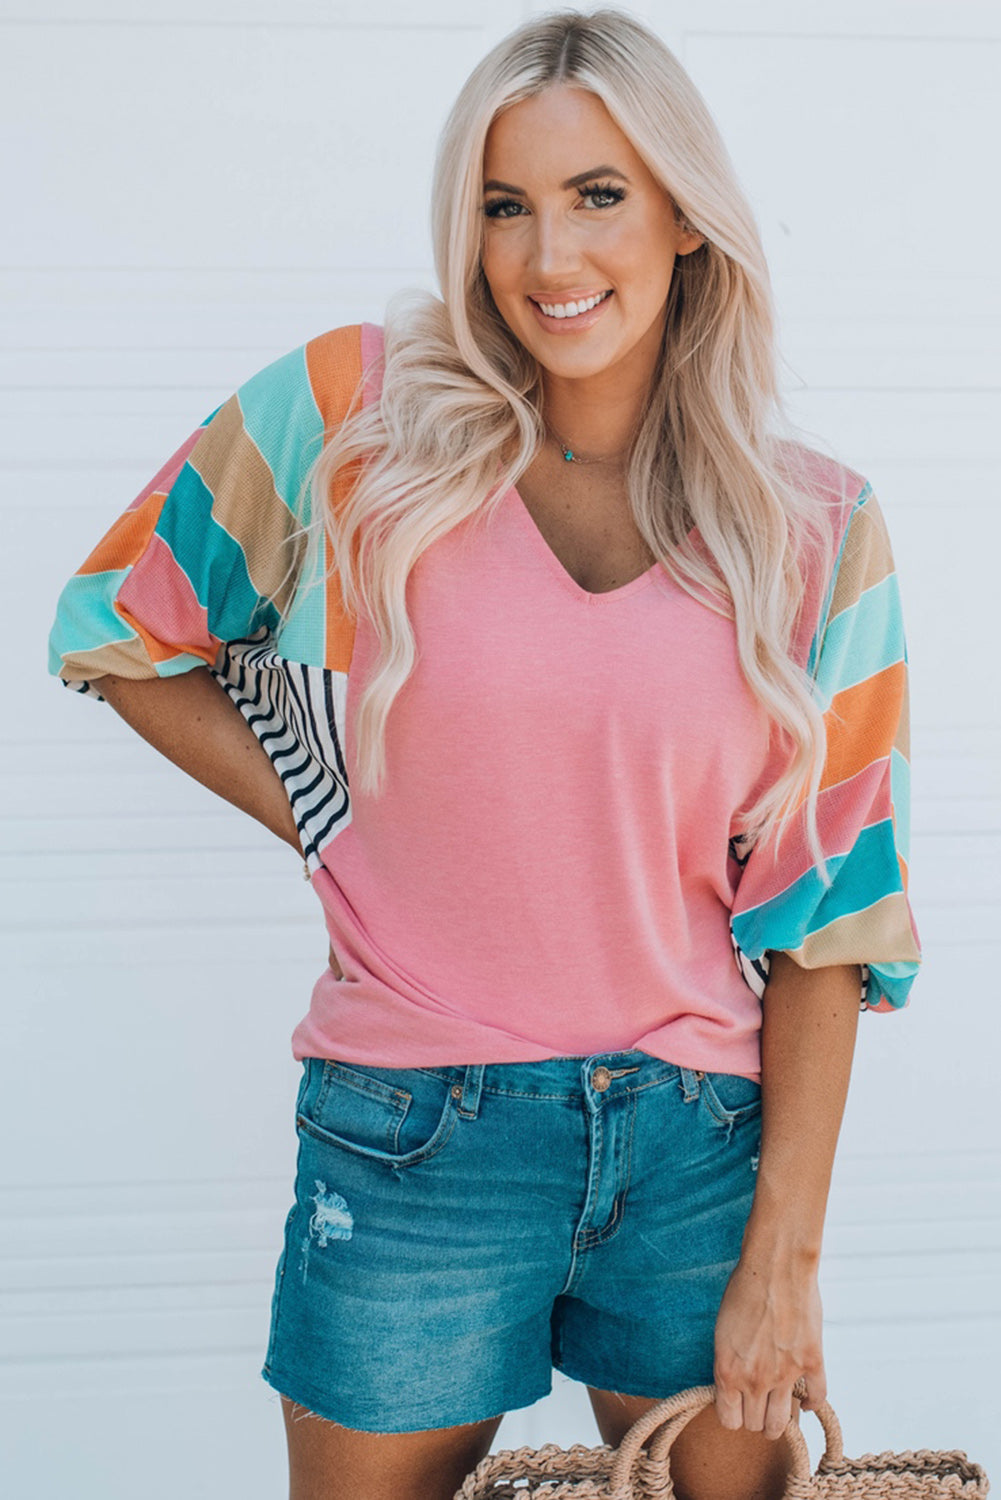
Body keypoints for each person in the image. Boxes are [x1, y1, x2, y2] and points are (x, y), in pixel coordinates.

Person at [48, 9, 920, 1500]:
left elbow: (829, 915)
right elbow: (118, 626)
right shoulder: (356, 417)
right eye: (504, 205)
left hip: (697, 1146)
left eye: (598, 196)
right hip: (411, 1140)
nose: (548, 255)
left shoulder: (814, 525)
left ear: (686, 219)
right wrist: (334, 815)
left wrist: (784, 1260)